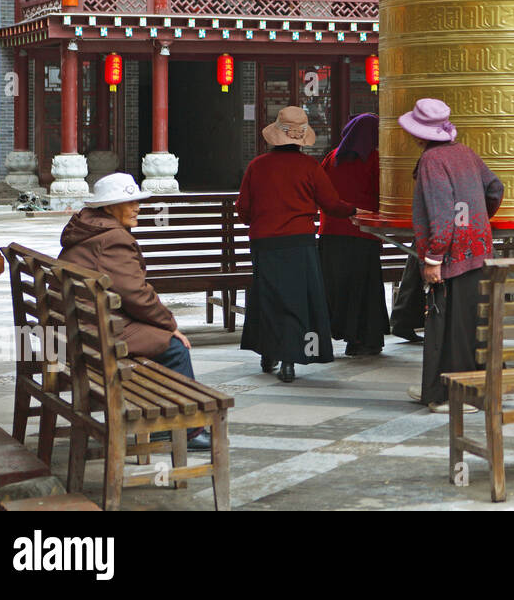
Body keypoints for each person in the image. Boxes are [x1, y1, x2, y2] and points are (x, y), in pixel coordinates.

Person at [58, 173, 210, 450]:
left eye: (136, 201)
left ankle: (169, 422)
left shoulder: (88, 228)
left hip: (79, 327)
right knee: (175, 347)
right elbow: (136, 295)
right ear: (108, 207)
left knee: (162, 341)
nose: (137, 207)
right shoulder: (113, 238)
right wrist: (169, 324)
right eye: (128, 202)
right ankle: (184, 430)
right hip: (95, 334)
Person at [237, 106, 357, 383]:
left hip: (265, 244)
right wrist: (352, 210)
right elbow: (331, 205)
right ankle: (290, 361)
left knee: (267, 298)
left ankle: (268, 352)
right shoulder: (310, 167)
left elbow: (243, 210)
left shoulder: (257, 166)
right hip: (299, 244)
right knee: (296, 300)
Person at [399, 99, 503, 414]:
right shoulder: (465, 153)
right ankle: (446, 388)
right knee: (467, 324)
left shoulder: (432, 160)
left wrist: (433, 259)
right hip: (479, 251)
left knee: (444, 326)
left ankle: (450, 395)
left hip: (451, 257)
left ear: (418, 133)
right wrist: (477, 222)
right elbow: (495, 188)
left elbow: (442, 218)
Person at [319, 113, 387, 357]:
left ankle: (332, 335)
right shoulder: (374, 159)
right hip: (363, 233)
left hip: (330, 234)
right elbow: (383, 195)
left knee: (335, 288)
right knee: (362, 288)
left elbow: (321, 191)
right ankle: (362, 340)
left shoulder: (332, 157)